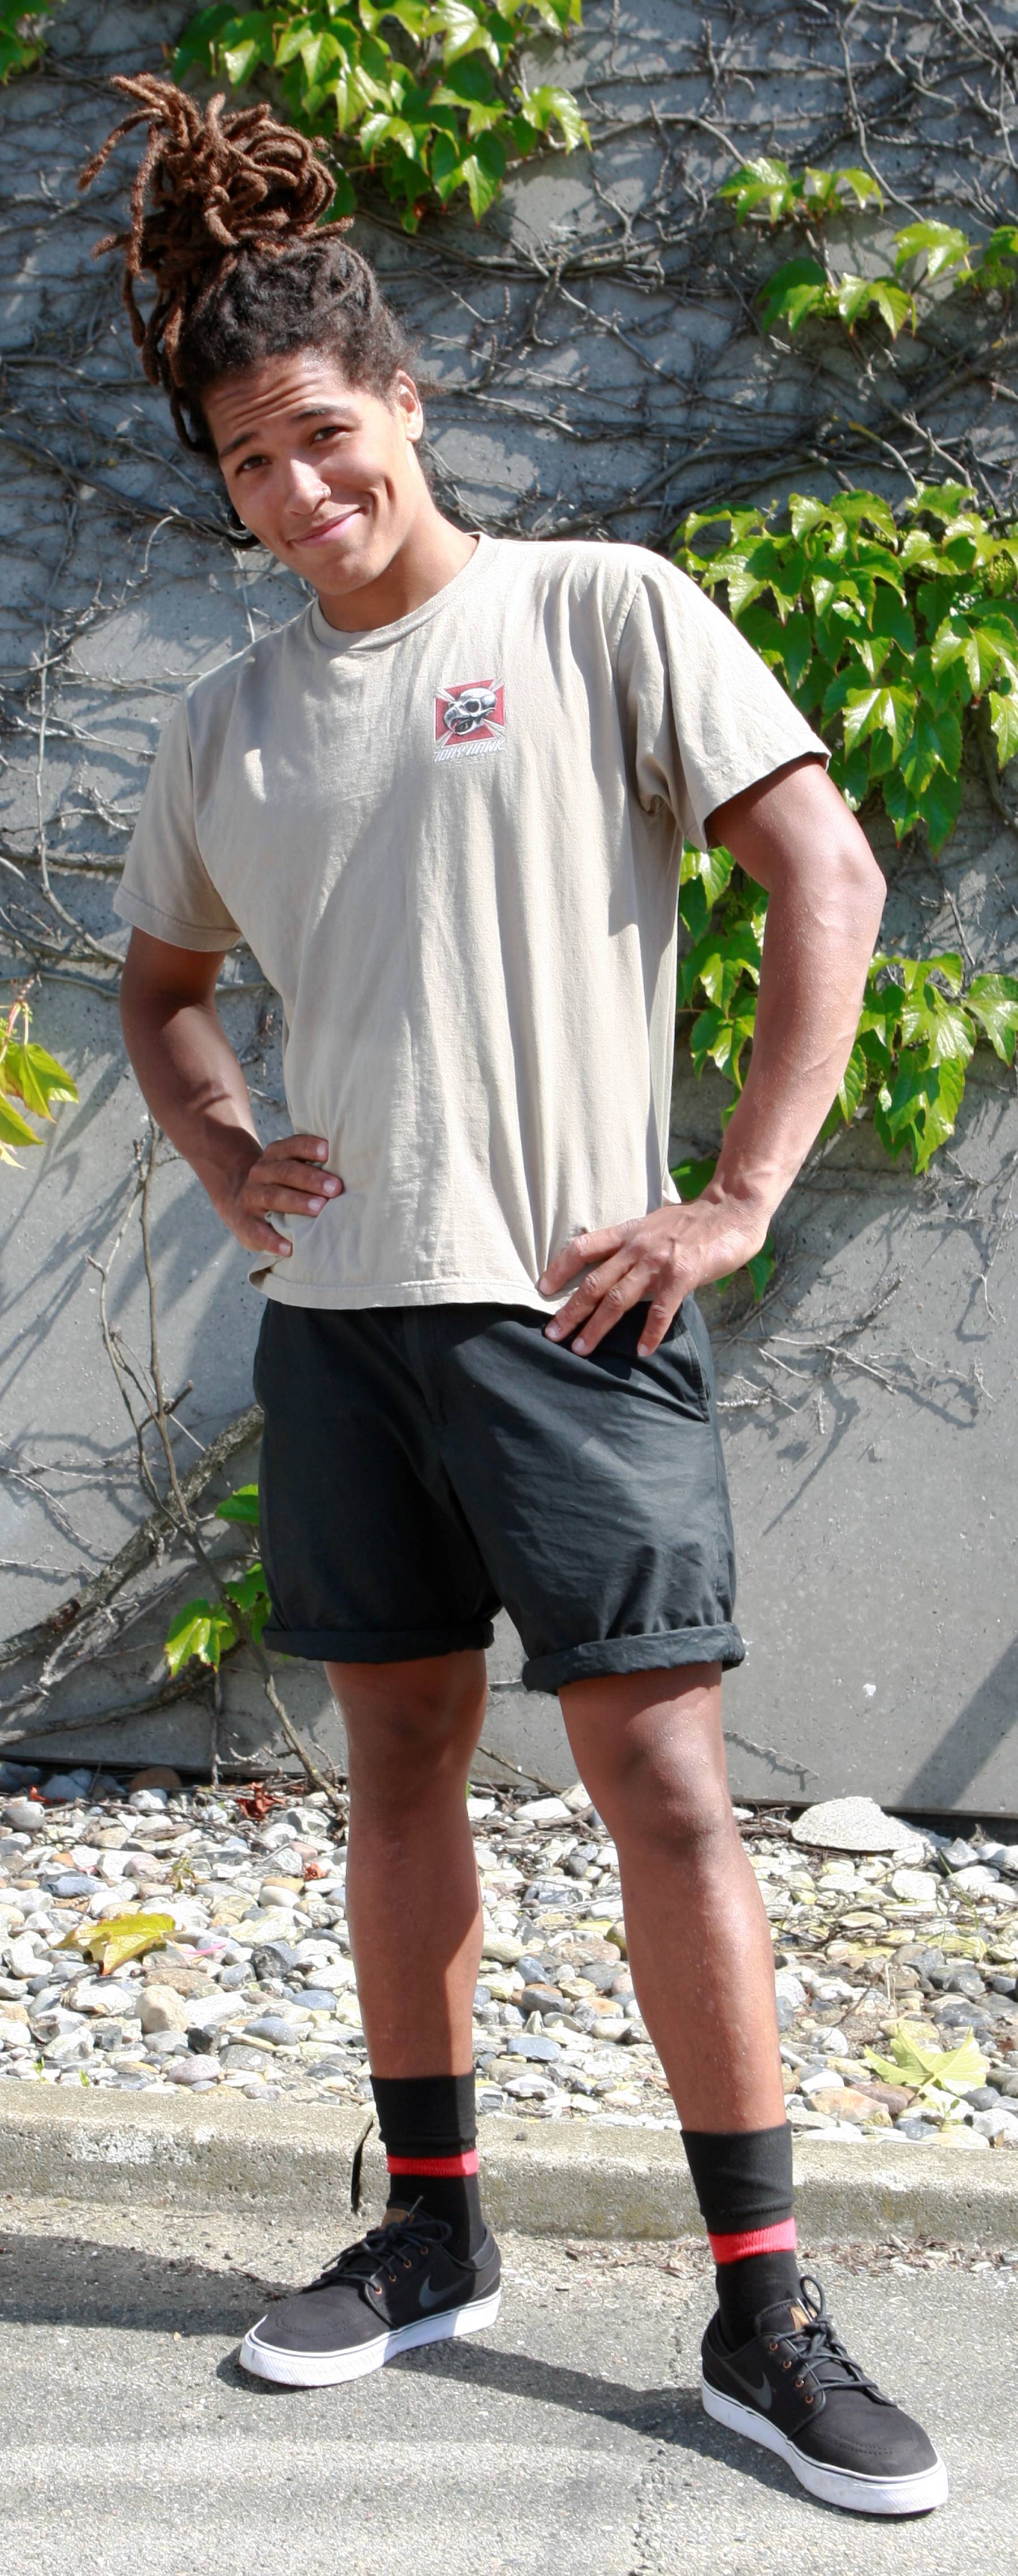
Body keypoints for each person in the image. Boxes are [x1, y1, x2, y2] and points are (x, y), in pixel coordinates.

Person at [85, 73, 947, 2517]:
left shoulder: (599, 611)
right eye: (247, 463)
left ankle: (765, 2305)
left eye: (323, 433)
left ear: (407, 396)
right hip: (342, 1324)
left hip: (573, 1311)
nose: (296, 491)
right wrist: (228, 1150)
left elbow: (829, 876)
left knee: (664, 1786)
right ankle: (435, 2228)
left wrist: (738, 1195)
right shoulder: (229, 722)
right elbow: (160, 988)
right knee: (394, 1775)